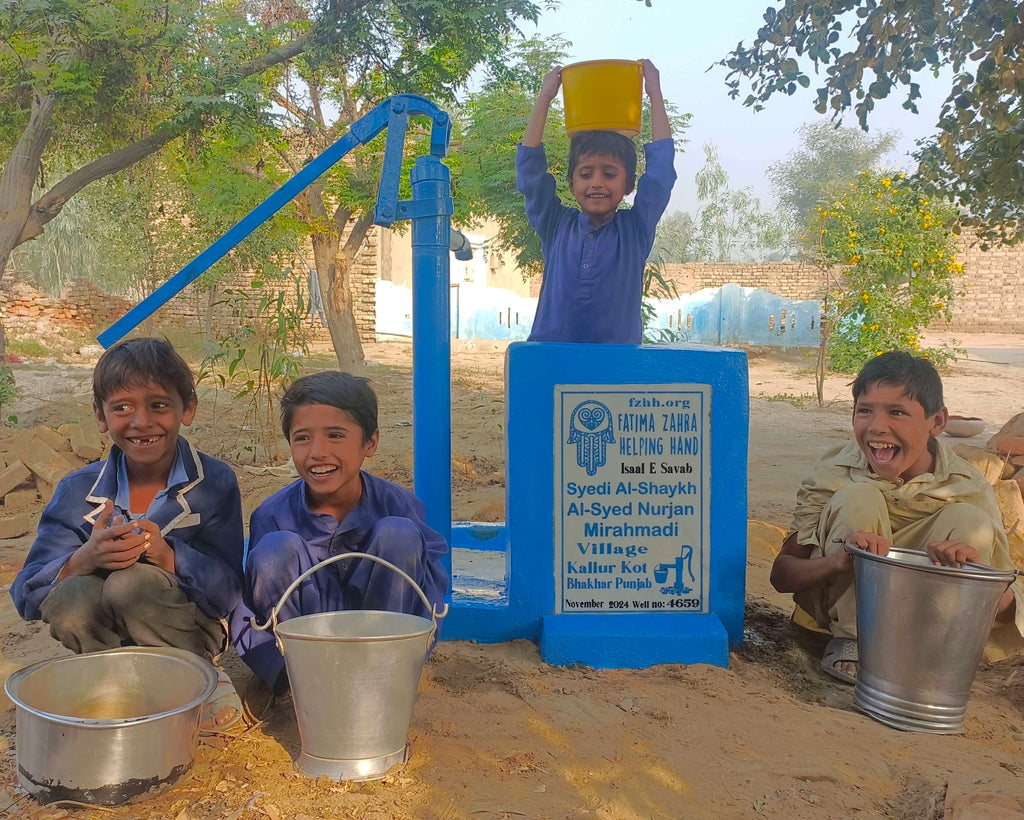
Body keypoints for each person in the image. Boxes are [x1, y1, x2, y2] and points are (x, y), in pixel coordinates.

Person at [10, 337, 245, 727]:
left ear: (187, 408)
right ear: (100, 417)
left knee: (129, 583)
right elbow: (26, 595)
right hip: (105, 638)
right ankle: (112, 684)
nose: (141, 422)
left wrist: (170, 556)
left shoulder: (214, 483)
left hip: (186, 631)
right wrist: (82, 560)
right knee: (70, 596)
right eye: (122, 407)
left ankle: (197, 675)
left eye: (158, 405)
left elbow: (229, 594)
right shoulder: (76, 491)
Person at [771, 351, 1024, 684]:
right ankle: (854, 639)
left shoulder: (968, 488)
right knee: (859, 495)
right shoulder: (832, 472)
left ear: (937, 422)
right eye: (865, 411)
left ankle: (929, 650)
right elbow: (782, 575)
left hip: (922, 629)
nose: (877, 427)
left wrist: (972, 578)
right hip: (839, 620)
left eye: (897, 412)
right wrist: (837, 562)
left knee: (969, 520)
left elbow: (1008, 607)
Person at [230, 371, 449, 693]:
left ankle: (385, 670)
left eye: (335, 435)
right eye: (302, 437)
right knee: (275, 550)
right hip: (307, 658)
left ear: (370, 443)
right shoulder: (272, 515)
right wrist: (278, 671)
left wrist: (413, 650)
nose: (317, 451)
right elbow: (253, 607)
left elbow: (428, 595)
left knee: (399, 534)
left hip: (385, 646)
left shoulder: (398, 505)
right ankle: (301, 679)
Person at [517, 59, 676, 344]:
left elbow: (661, 176)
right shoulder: (556, 225)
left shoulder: (635, 230)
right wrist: (545, 98)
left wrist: (654, 93)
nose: (597, 183)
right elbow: (530, 174)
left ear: (628, 184)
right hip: (551, 363)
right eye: (586, 173)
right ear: (571, 182)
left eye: (610, 173)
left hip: (615, 372)